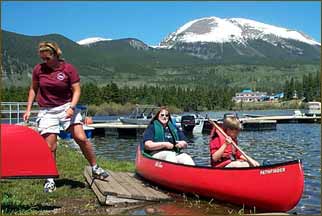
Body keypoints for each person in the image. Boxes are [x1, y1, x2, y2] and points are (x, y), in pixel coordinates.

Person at [23, 41, 108, 193]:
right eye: (42, 58)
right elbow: (33, 89)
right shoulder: (39, 69)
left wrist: (72, 107)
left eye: (47, 58)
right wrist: (28, 109)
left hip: (67, 106)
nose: (45, 62)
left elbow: (76, 90)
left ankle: (95, 167)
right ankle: (49, 179)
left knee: (81, 138)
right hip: (47, 110)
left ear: (55, 55)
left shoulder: (68, 69)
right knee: (50, 146)